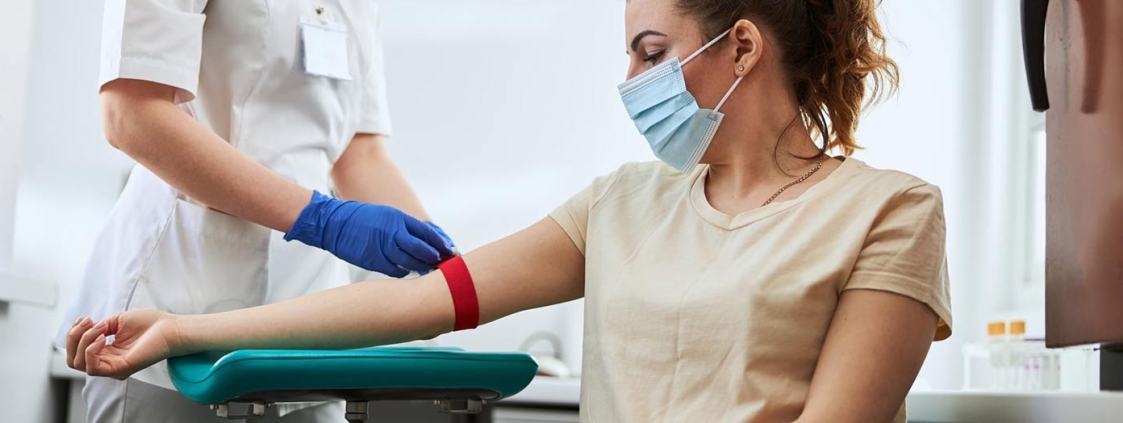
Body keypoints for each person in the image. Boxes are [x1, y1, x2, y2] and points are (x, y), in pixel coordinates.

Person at [67, 0, 952, 421]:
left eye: (651, 53)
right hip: (185, 268)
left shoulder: (889, 212)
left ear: (744, 48)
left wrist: (367, 223)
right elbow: (409, 300)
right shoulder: (622, 204)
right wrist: (185, 327)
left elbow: (360, 155)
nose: (632, 86)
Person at [55, 1, 456, 422]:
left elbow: (360, 153)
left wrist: (446, 271)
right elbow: (130, 112)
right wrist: (322, 218)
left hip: (311, 320)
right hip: (179, 293)